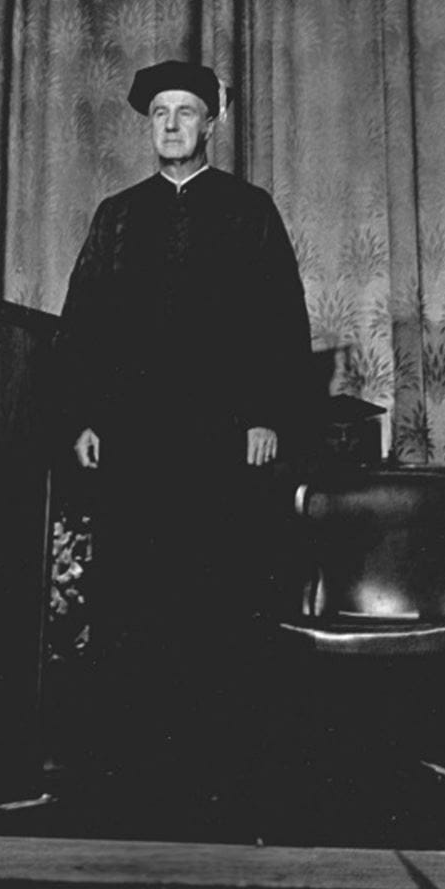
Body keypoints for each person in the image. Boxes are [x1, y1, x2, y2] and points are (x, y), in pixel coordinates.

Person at [57, 59, 313, 814]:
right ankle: (132, 772)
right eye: (159, 112)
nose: (170, 124)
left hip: (222, 439)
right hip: (135, 439)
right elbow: (84, 323)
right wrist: (82, 417)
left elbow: (280, 319)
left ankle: (220, 770)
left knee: (219, 594)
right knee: (133, 595)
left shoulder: (247, 209)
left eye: (186, 112)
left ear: (211, 123)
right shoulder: (117, 214)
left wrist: (268, 412)